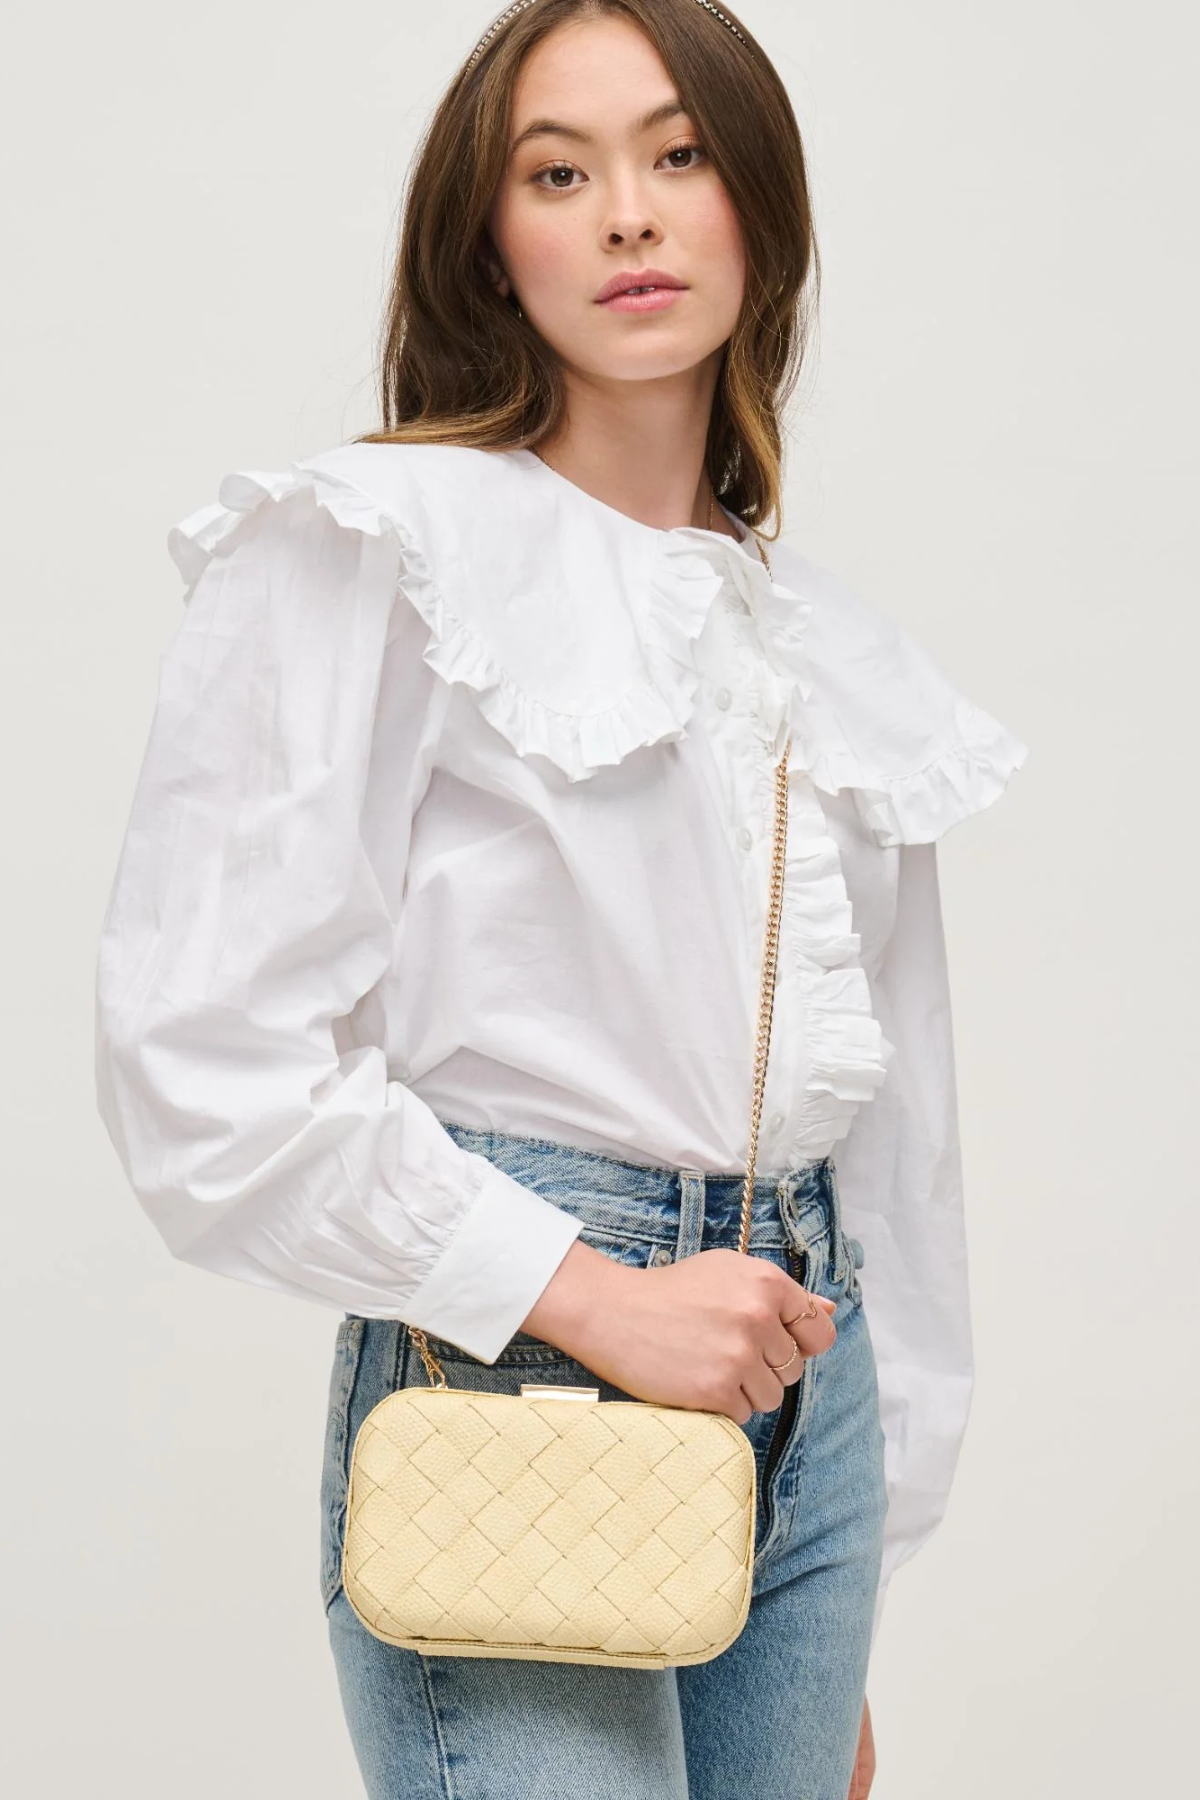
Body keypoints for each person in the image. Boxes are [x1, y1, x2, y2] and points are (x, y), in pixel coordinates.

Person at [93, 3, 1027, 1796]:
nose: (628, 214)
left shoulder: (822, 649)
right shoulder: (377, 544)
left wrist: (855, 1576)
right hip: (517, 1362)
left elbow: (898, 1151)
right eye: (558, 170)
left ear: (760, 204)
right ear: (490, 242)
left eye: (679, 154)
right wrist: (591, 1293)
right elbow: (200, 1064)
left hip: (794, 1399)